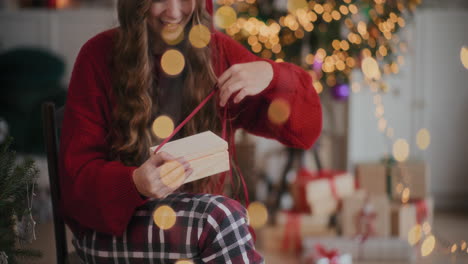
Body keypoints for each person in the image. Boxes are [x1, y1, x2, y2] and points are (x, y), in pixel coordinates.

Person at [59, 0, 322, 262]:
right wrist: (135, 183)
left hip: (199, 230)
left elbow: (307, 131)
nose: (174, 12)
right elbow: (74, 186)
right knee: (221, 219)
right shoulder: (98, 55)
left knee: (222, 220)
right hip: (111, 231)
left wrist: (274, 76)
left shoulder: (217, 54)